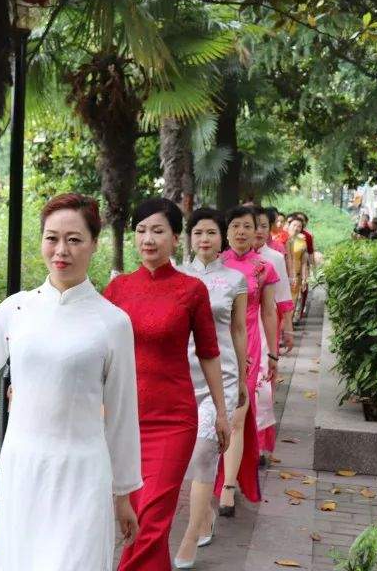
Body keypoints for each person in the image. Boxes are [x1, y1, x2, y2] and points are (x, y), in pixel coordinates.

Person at [0, 193, 141, 571]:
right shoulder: (17, 309)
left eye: (74, 239)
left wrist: (122, 495)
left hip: (82, 473)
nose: (61, 250)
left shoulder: (112, 322)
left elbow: (121, 412)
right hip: (24, 469)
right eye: (52, 238)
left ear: (94, 244)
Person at [105, 197, 228, 571]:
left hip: (173, 419)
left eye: (158, 230)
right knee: (138, 520)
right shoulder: (117, 290)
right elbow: (95, 355)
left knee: (152, 519)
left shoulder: (191, 291)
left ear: (176, 238)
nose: (148, 239)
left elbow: (208, 352)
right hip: (123, 420)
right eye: (141, 231)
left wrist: (222, 412)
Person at [173, 208, 248, 569]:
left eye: (211, 233)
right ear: (188, 237)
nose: (205, 239)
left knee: (205, 451)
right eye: (198, 232)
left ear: (222, 239)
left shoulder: (235, 280)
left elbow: (237, 331)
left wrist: (245, 377)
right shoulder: (175, 276)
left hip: (222, 377)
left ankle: (189, 538)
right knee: (184, 455)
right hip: (179, 375)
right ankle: (205, 515)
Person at [216, 206, 279, 518]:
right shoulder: (213, 264)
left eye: (247, 226)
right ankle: (212, 475)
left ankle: (228, 486)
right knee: (216, 415)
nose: (241, 232)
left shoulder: (264, 268)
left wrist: (273, 353)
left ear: (258, 231)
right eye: (235, 225)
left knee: (238, 415)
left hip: (249, 348)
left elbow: (269, 311)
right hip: (214, 349)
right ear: (226, 231)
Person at [252, 207, 295, 462]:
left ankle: (258, 446)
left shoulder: (274, 258)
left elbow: (283, 299)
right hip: (239, 330)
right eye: (250, 225)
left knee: (263, 388)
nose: (256, 231)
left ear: (270, 229)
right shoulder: (227, 258)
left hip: (266, 328)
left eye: (262, 226)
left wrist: (287, 329)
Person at [286, 216, 309, 314]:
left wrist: (304, 278)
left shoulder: (302, 242)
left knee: (293, 300)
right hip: (283, 274)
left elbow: (304, 262)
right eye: (294, 225)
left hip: (297, 275)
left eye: (299, 226)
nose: (296, 228)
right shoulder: (283, 240)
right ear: (288, 225)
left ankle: (289, 324)